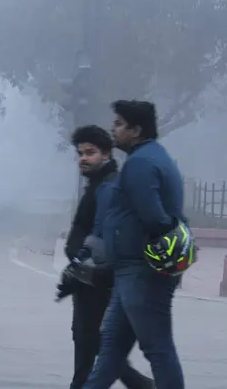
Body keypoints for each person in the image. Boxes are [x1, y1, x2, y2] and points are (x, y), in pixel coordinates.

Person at [83, 100, 188, 389]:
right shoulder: (150, 157)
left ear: (136, 129)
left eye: (118, 123)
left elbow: (155, 216)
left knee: (157, 348)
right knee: (111, 352)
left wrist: (167, 242)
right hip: (130, 270)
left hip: (142, 271)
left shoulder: (141, 163)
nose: (112, 128)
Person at [56, 125, 154, 389]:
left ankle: (144, 386)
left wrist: (84, 268)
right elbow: (80, 231)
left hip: (101, 282)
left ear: (107, 154)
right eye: (80, 153)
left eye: (90, 152)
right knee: (91, 346)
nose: (84, 158)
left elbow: (107, 239)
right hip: (90, 279)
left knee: (92, 344)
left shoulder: (109, 189)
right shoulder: (97, 185)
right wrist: (75, 265)